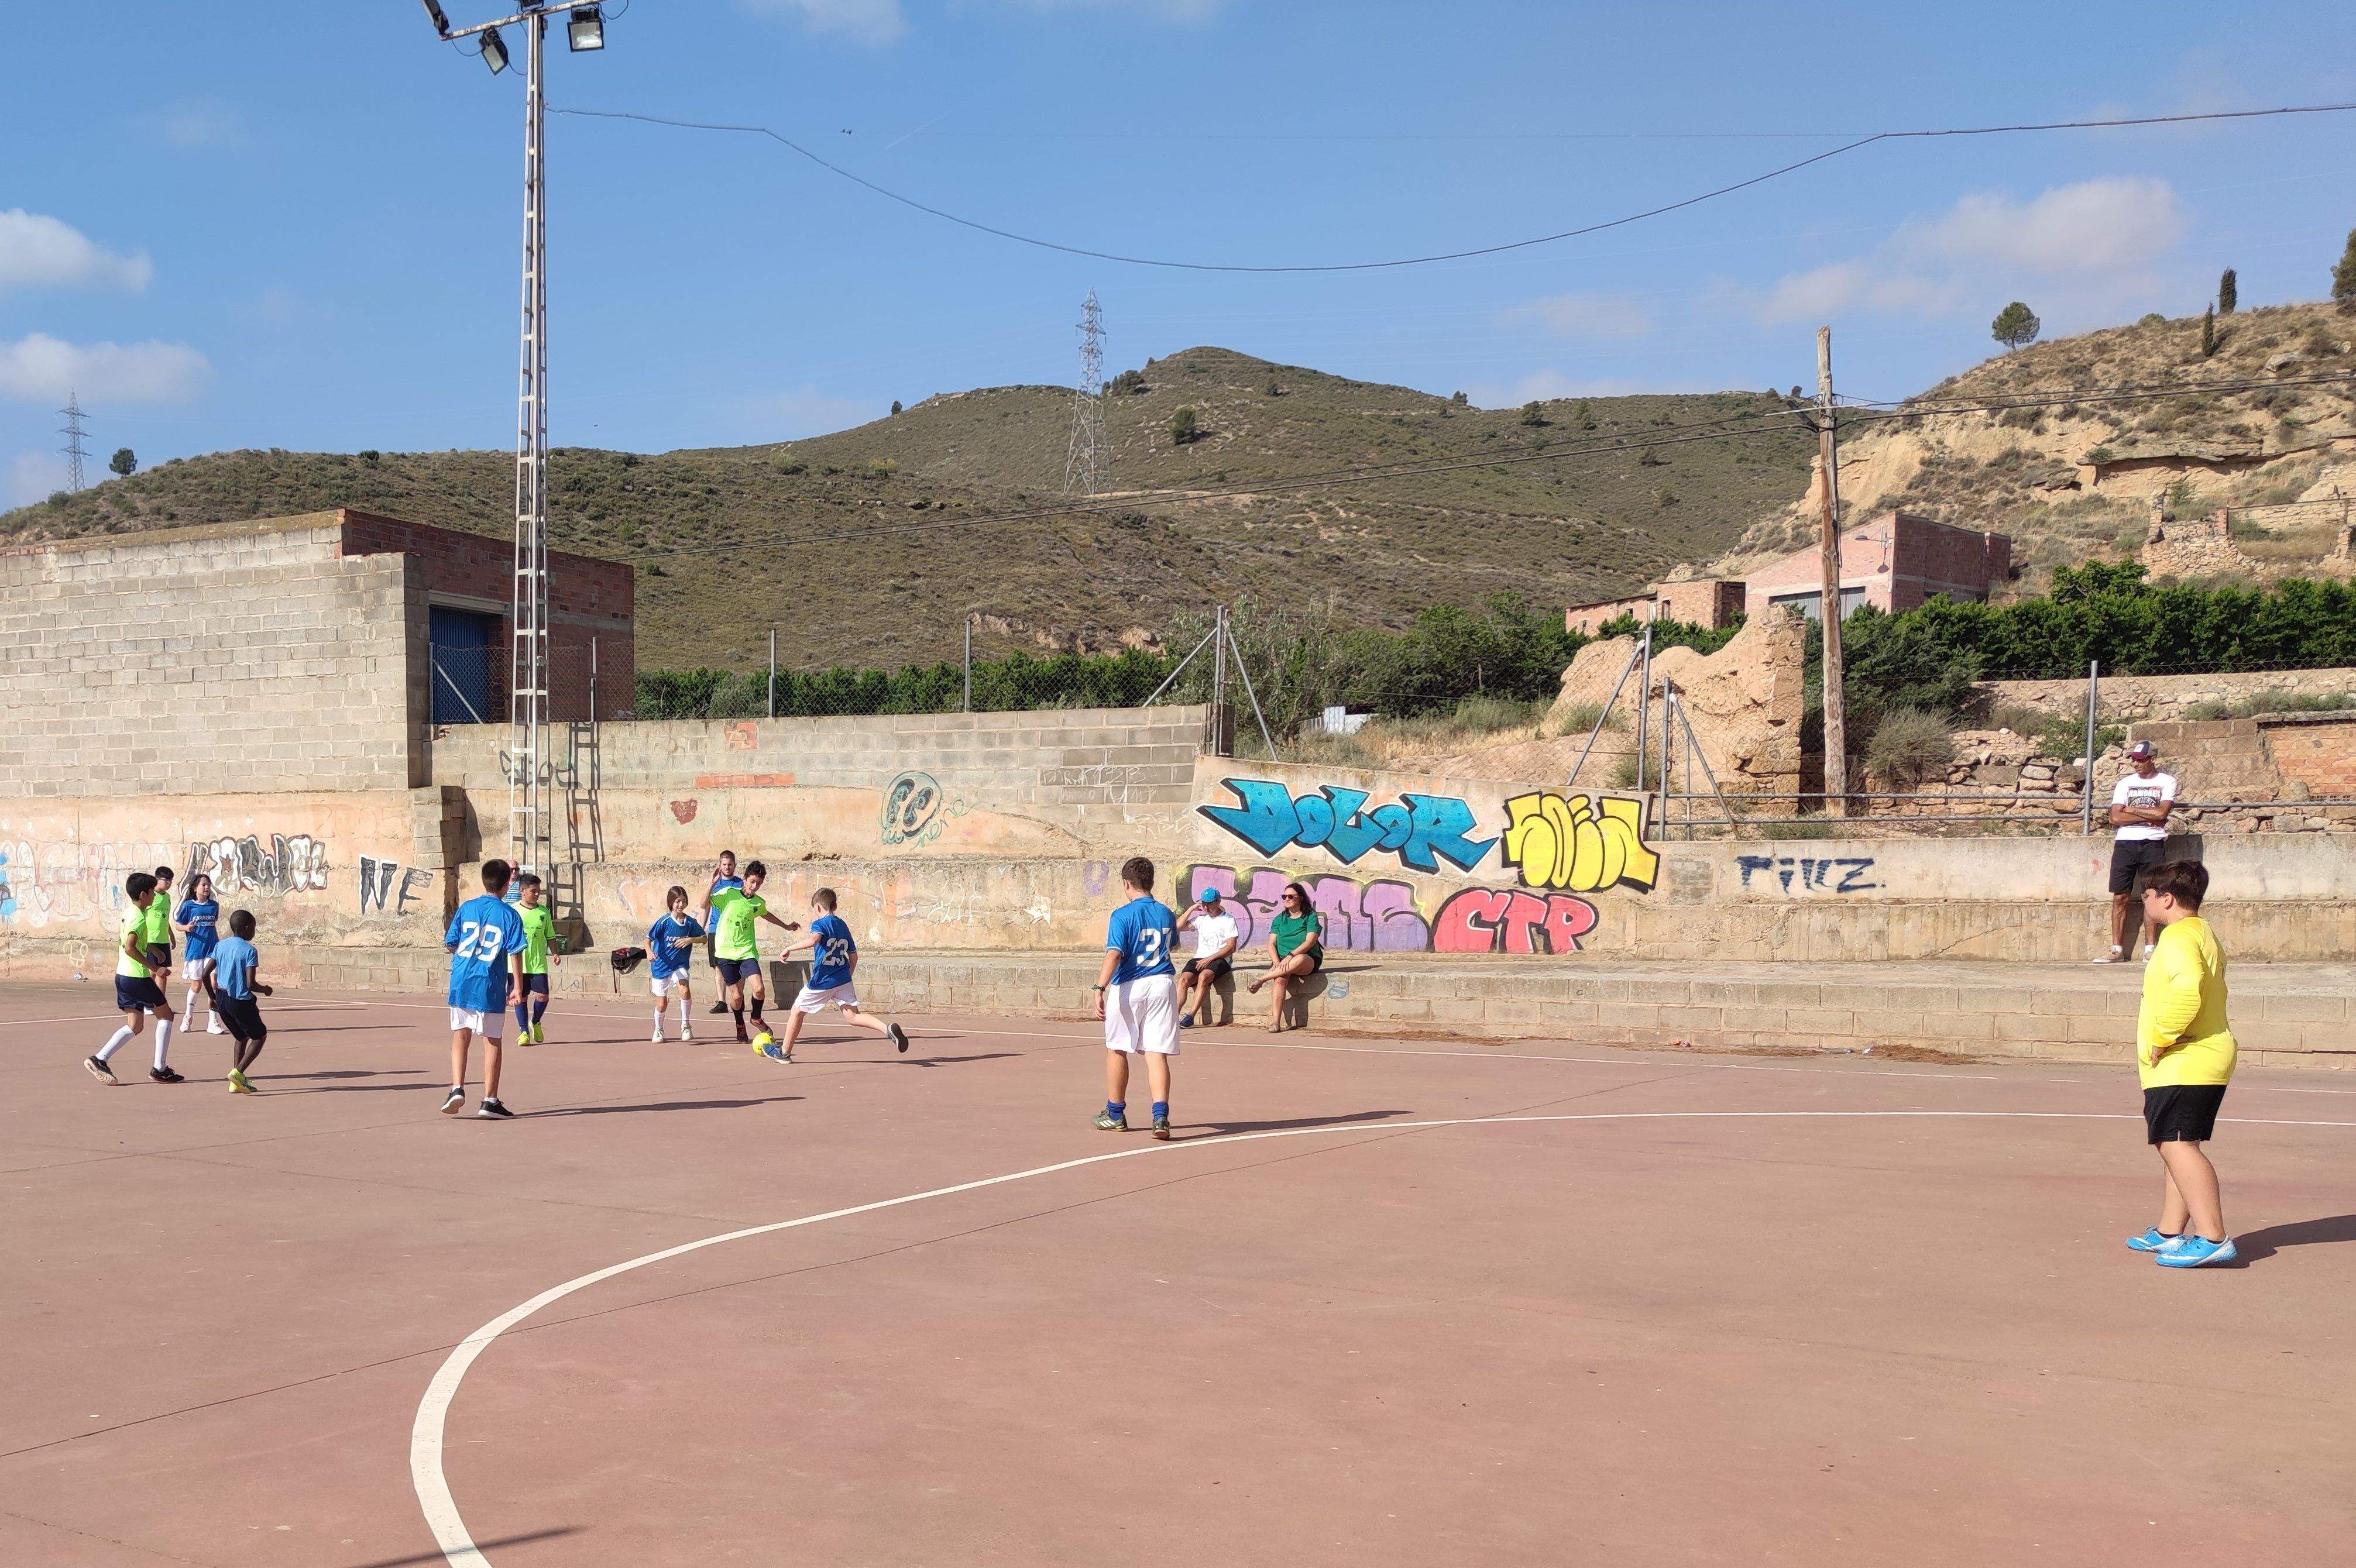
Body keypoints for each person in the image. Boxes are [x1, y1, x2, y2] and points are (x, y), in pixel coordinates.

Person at [2123, 860, 2239, 1268]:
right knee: (2177, 1144)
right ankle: (2171, 1232)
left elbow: (2188, 991)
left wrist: (2161, 1038)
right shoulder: (2202, 932)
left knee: (2175, 1144)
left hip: (2185, 1060)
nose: (2144, 900)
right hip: (2202, 1058)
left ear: (2166, 898)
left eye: (2148, 895)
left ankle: (2213, 1237)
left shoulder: (2176, 939)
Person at [760, 888, 911, 1062]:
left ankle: (784, 1053)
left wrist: (789, 948)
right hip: (843, 979)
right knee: (852, 1016)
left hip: (822, 981)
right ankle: (888, 1029)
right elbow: (853, 956)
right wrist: (847, 977)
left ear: (817, 908)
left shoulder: (819, 924)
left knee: (797, 1011)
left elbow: (814, 940)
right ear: (836, 906)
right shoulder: (842, 925)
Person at [1091, 856, 1179, 1140]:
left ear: (1126, 883)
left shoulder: (1122, 915)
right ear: (1152, 883)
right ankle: (1160, 1116)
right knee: (1156, 1052)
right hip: (1163, 983)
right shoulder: (1166, 913)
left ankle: (1115, 1114)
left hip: (1131, 985)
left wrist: (1099, 988)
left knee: (1118, 1047)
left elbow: (1114, 954)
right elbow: (1172, 945)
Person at [443, 859, 527, 1119]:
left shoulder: (467, 908)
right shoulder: (509, 915)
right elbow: (515, 952)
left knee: (461, 1035)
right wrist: (517, 986)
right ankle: (490, 1100)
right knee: (491, 1040)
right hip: (489, 982)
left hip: (461, 979)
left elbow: (451, 944)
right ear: (507, 884)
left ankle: (457, 1087)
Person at [84, 871, 183, 1084]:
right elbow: (130, 948)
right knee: (166, 1016)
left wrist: (154, 950)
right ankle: (160, 1068)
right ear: (144, 894)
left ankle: (99, 1058)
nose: (155, 896)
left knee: (136, 1026)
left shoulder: (130, 912)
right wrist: (156, 969)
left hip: (123, 976)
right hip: (137, 977)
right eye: (152, 892)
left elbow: (134, 942)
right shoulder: (139, 917)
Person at [700, 859, 799, 1045]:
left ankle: (756, 1018)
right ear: (745, 879)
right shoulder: (728, 894)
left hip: (747, 952)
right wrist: (712, 883)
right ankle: (740, 1024)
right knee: (737, 997)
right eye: (752, 881)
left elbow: (766, 914)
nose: (755, 886)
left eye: (759, 883)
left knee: (759, 988)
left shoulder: (757, 903)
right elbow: (703, 904)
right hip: (725, 952)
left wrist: (786, 926)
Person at [2098, 740, 2177, 964]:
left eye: (2141, 760)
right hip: (2125, 844)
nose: (2136, 764)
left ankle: (2150, 949)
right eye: (2134, 759)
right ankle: (2116, 950)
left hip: (2153, 844)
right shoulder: (2125, 783)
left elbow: (2162, 814)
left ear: (2153, 759)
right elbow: (2115, 817)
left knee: (2150, 896)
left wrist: (2131, 810)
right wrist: (2148, 814)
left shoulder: (2167, 782)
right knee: (2120, 896)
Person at [209, 909, 274, 1095]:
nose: (254, 931)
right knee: (260, 1036)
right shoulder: (250, 951)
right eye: (254, 927)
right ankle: (237, 1073)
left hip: (222, 998)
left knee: (241, 1037)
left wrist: (213, 997)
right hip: (240, 1001)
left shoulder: (221, 946)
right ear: (247, 928)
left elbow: (206, 974)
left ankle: (235, 1083)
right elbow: (250, 984)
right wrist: (266, 989)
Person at [1246, 881, 1324, 1033]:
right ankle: (1275, 1022)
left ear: (1300, 898)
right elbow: (1271, 944)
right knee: (1280, 979)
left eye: (1291, 896)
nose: (1286, 899)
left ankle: (1263, 979)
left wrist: (1290, 956)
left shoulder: (1310, 917)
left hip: (1306, 960)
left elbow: (1309, 942)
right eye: (1284, 896)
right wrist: (1276, 962)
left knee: (1299, 959)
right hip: (1282, 961)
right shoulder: (1279, 919)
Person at [1173, 886, 1239, 1029]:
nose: (1206, 907)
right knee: (1184, 979)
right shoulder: (1201, 919)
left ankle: (1190, 1016)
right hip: (1200, 957)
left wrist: (1210, 959)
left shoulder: (1228, 920)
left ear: (1218, 902)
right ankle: (1174, 1016)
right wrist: (1191, 908)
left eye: (1210, 903)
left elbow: (1231, 947)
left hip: (1220, 959)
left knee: (1204, 977)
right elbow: (1178, 927)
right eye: (1204, 903)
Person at [645, 886, 704, 1043]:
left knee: (684, 990)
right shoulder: (664, 922)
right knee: (662, 1004)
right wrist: (649, 952)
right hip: (662, 966)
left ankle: (686, 1025)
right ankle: (658, 1030)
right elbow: (647, 938)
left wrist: (690, 940)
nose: (681, 905)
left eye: (684, 901)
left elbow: (704, 938)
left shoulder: (690, 923)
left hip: (680, 965)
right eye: (678, 901)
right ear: (671, 903)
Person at [173, 872, 224, 1034]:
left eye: (208, 885)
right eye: (203, 884)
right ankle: (188, 1017)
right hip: (195, 950)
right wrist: (187, 928)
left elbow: (212, 926)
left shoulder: (214, 906)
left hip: (212, 950)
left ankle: (213, 1021)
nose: (207, 887)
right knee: (197, 985)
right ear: (195, 888)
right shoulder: (188, 906)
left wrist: (217, 943)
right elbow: (178, 925)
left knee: (214, 985)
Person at [511, 872, 558, 1046]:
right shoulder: (514, 911)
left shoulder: (543, 912)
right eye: (533, 891)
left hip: (538, 963)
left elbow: (550, 936)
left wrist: (555, 953)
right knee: (521, 998)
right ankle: (523, 1032)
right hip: (517, 964)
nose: (537, 894)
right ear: (523, 891)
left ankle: (535, 1022)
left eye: (539, 891)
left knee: (543, 996)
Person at [705, 851, 743, 1016]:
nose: (727, 867)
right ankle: (722, 1002)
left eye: (730, 864)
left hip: (734, 930)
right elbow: (705, 906)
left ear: (734, 865)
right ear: (720, 865)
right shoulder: (714, 884)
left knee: (738, 965)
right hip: (715, 929)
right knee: (718, 966)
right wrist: (702, 928)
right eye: (724, 864)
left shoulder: (740, 883)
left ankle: (738, 998)